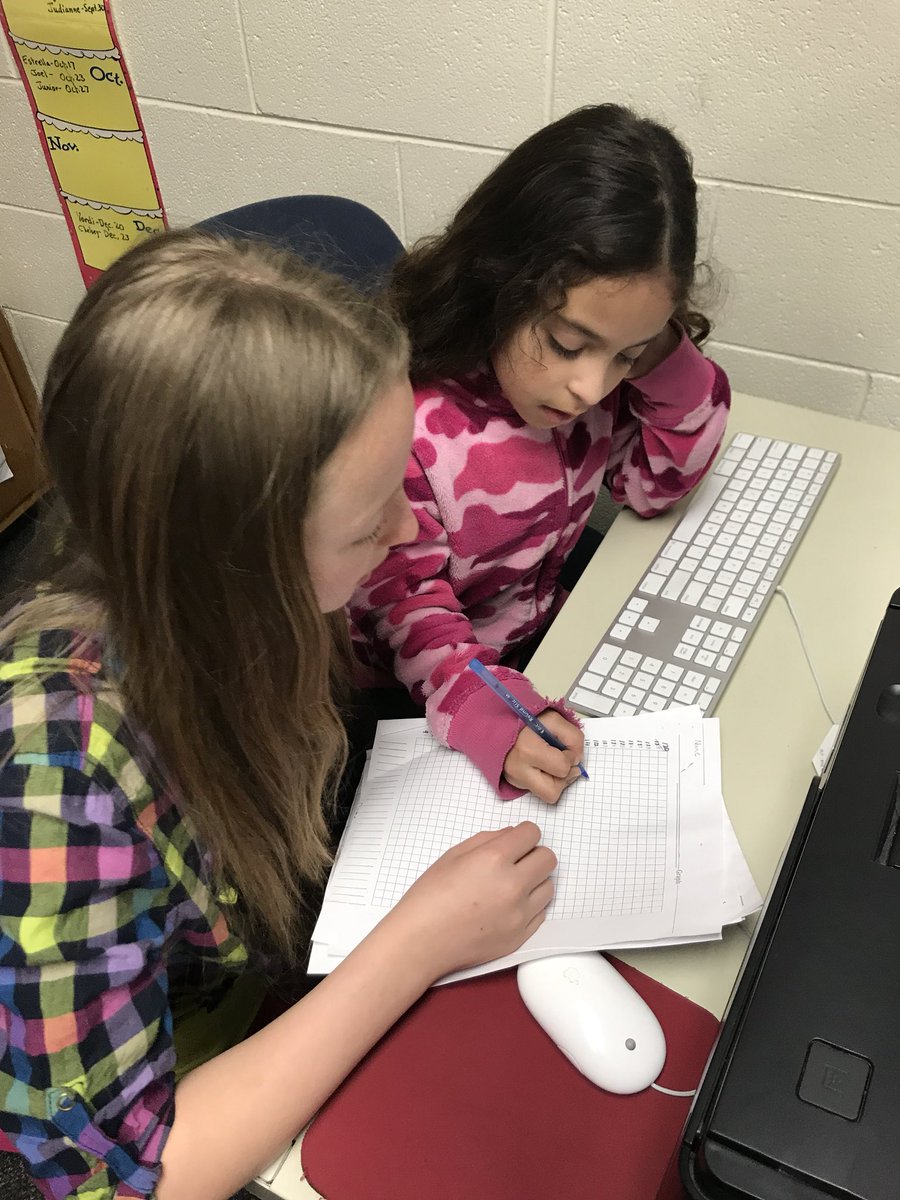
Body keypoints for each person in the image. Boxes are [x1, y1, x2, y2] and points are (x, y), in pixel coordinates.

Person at [0, 230, 557, 1200]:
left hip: (260, 975)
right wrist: (417, 941)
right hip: (181, 1097)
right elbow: (115, 1179)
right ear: (238, 561)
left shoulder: (257, 622)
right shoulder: (57, 779)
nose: (407, 530)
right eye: (369, 516)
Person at [349, 103, 731, 805]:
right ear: (500, 278)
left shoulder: (595, 382)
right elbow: (405, 609)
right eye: (567, 343)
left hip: (531, 631)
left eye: (627, 354)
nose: (590, 387)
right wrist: (492, 710)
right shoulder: (405, 419)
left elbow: (655, 487)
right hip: (416, 683)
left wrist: (664, 356)